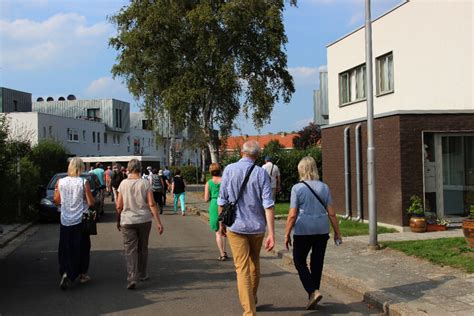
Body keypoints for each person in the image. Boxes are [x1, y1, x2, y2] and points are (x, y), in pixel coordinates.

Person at [218, 140, 275, 316]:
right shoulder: (261, 173)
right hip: (257, 227)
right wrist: (272, 233)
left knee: (241, 269)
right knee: (254, 264)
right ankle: (252, 297)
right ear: (257, 156)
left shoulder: (229, 170)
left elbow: (222, 200)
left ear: (242, 153)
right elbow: (268, 204)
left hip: (236, 226)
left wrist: (221, 224)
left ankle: (249, 311)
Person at [284, 156, 342, 310]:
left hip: (304, 230)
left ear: (301, 170)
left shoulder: (297, 188)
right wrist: (337, 232)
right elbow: (332, 213)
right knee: (317, 263)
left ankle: (312, 291)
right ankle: (313, 294)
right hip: (322, 230)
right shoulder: (324, 187)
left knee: (299, 261)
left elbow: (292, 214)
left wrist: (286, 233)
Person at [116, 159, 164, 290]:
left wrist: (118, 219)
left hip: (127, 221)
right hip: (144, 220)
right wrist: (158, 222)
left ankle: (132, 277)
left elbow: (119, 205)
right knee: (143, 247)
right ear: (140, 168)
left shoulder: (123, 183)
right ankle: (142, 273)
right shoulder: (145, 183)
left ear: (128, 169)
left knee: (130, 249)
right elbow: (152, 204)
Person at [55, 157, 95, 290]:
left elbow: (57, 200)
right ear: (81, 168)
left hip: (65, 219)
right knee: (82, 247)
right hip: (80, 220)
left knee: (65, 247)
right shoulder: (84, 182)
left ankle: (66, 271)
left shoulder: (60, 182)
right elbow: (90, 203)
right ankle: (82, 274)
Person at [204, 163, 227, 261]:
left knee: (217, 231)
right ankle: (225, 251)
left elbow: (205, 199)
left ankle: (222, 254)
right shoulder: (224, 181)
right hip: (224, 204)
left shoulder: (209, 183)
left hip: (214, 204)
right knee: (224, 230)